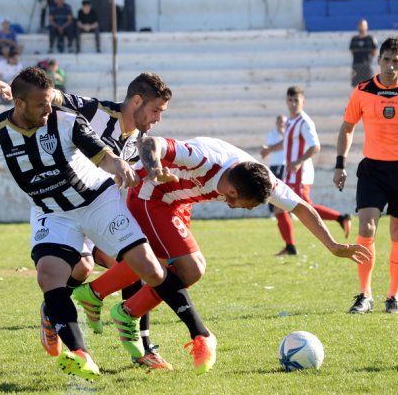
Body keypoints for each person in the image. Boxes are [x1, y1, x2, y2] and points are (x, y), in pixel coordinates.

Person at [0, 67, 161, 380]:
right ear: (18, 104)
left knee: (150, 271)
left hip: (96, 202)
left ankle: (163, 336)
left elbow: (102, 157)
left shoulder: (69, 121)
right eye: (41, 104)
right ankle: (80, 354)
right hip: (52, 211)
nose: (49, 109)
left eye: (50, 102)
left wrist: (119, 165)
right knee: (50, 276)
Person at [71, 136, 371, 374]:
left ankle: (99, 295)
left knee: (162, 266)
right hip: (151, 196)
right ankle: (171, 326)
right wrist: (154, 169)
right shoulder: (205, 159)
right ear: (232, 193)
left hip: (177, 202)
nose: (244, 209)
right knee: (191, 268)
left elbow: (302, 208)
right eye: (247, 205)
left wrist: (332, 245)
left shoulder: (260, 180)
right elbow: (150, 143)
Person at [0, 71, 176, 371]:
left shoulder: (140, 139)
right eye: (155, 111)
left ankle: (143, 348)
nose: (157, 119)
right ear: (136, 101)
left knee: (134, 268)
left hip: (100, 207)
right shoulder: (95, 111)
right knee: (83, 267)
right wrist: (16, 95)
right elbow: (55, 95)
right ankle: (54, 310)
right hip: (67, 205)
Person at [333, 37, 398, 315]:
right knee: (366, 228)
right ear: (377, 60)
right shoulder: (363, 90)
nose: (390, 67)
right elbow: (346, 128)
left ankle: (393, 296)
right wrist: (340, 165)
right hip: (373, 170)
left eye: (396, 62)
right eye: (386, 60)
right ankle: (364, 295)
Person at [261, 86, 352, 256]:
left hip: (300, 173)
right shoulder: (289, 121)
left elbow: (315, 146)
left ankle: (341, 217)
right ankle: (290, 247)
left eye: (297, 100)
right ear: (286, 101)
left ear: (303, 102)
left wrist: (298, 161)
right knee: (279, 206)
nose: (293, 104)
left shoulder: (305, 122)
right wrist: (270, 149)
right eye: (290, 100)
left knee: (302, 207)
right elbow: (287, 143)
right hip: (291, 172)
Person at [350, 19, 378, 87]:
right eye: (360, 25)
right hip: (356, 65)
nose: (362, 27)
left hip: (367, 66)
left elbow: (375, 51)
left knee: (369, 85)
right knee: (356, 86)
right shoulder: (354, 39)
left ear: (366, 27)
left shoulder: (371, 38)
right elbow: (351, 51)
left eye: (363, 25)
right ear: (358, 26)